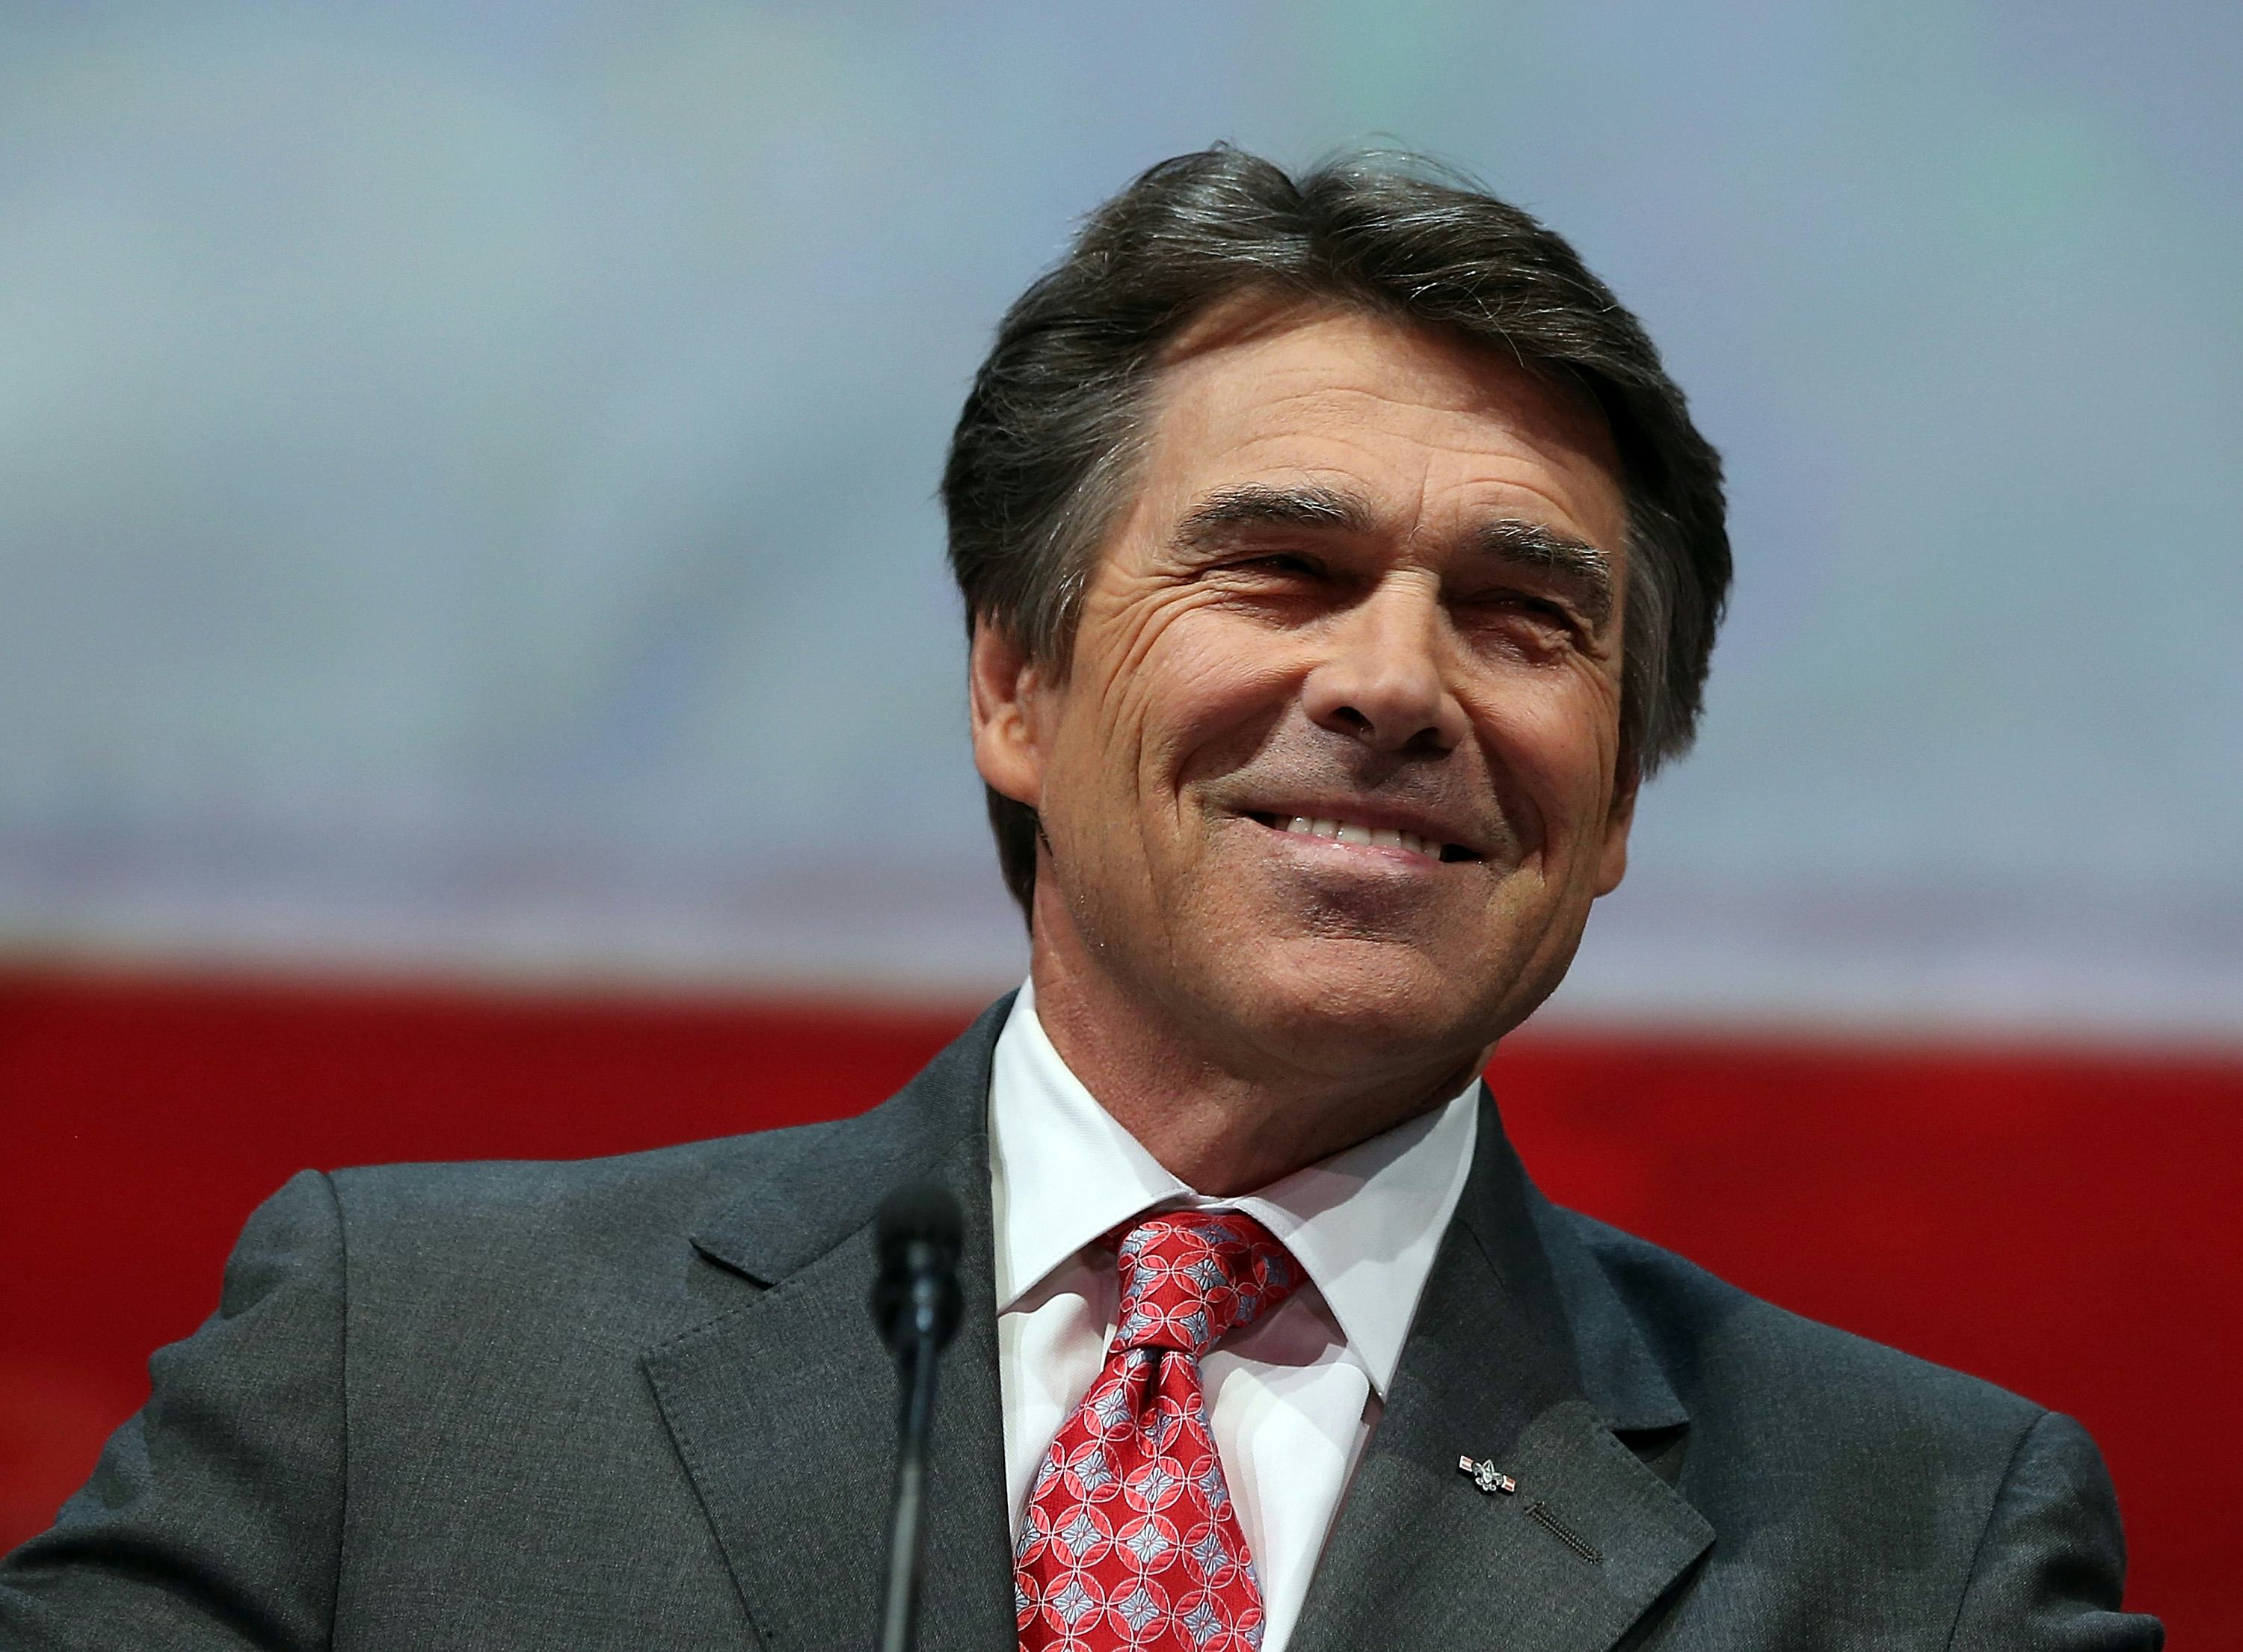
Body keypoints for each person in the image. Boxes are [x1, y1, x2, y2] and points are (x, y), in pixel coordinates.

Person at [0, 147, 2160, 1651]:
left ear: (1612, 803)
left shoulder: (1922, 1545)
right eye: (1284, 570)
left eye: (1523, 617)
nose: (1396, 684)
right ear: (1015, 684)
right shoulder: (408, 1362)